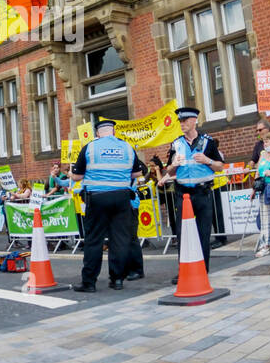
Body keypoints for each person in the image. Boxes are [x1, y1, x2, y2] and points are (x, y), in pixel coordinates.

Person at [71, 118, 144, 292]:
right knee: (119, 239)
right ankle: (117, 279)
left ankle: (89, 282)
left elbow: (76, 176)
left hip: (97, 198)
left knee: (94, 240)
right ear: (114, 132)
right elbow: (138, 172)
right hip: (122, 198)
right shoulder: (127, 147)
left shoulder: (90, 148)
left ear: (97, 133)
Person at [159, 107, 226, 275]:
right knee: (183, 234)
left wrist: (207, 160)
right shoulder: (177, 144)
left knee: (204, 233)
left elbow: (219, 167)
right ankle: (185, 271)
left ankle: (203, 270)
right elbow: (169, 171)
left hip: (203, 193)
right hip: (183, 195)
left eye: (184, 121)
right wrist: (174, 164)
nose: (181, 124)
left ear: (194, 121)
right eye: (180, 121)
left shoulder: (207, 142)